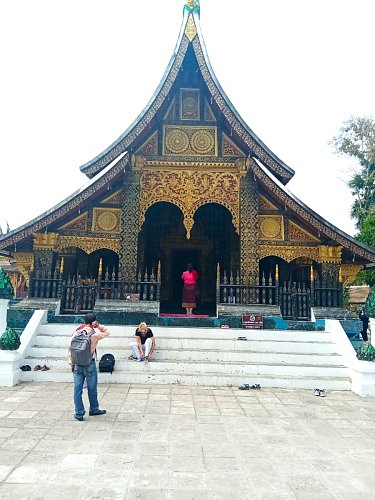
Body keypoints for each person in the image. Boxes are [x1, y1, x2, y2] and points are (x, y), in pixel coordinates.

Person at [68, 312, 109, 421]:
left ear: (84, 321)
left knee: (77, 389)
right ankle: (94, 409)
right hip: (89, 364)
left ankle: (79, 413)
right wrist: (98, 325)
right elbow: (107, 332)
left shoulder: (77, 333)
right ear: (93, 322)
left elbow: (70, 348)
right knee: (92, 388)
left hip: (77, 364)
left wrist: (71, 363)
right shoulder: (94, 335)